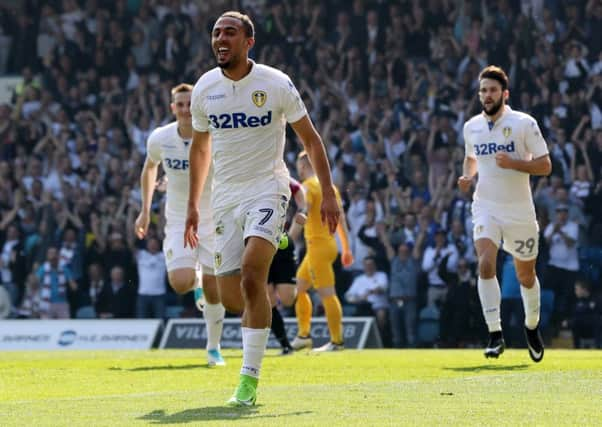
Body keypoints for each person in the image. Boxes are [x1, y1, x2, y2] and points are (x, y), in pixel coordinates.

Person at [185, 11, 341, 406]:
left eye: (230, 33)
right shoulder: (205, 88)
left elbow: (312, 140)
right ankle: (270, 248)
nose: (221, 38)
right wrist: (192, 206)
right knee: (232, 296)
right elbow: (200, 149)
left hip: (268, 189)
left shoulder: (275, 83)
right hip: (225, 197)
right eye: (216, 33)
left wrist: (330, 193)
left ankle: (248, 382)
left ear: (248, 42)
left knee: (255, 276)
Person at [458, 65, 552, 362]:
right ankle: (495, 334)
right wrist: (466, 176)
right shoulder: (471, 126)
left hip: (520, 212)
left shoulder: (524, 123)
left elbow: (545, 165)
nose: (487, 95)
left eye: (493, 90)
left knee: (526, 275)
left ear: (504, 93)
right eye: (483, 90)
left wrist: (515, 164)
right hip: (485, 206)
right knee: (486, 262)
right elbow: (470, 158)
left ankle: (532, 327)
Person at [135, 83, 225, 366]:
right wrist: (145, 210)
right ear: (172, 108)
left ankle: (213, 348)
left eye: (189, 104)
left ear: (197, 106)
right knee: (181, 282)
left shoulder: (215, 136)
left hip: (212, 219)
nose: (185, 109)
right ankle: (195, 278)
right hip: (176, 220)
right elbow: (149, 168)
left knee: (214, 290)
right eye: (180, 104)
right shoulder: (160, 138)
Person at [291, 151, 354, 352]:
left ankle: (337, 342)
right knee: (298, 288)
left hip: (317, 246)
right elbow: (341, 219)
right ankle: (303, 335)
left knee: (327, 293)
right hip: (327, 245)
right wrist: (347, 248)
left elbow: (304, 211)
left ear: (302, 167)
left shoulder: (308, 187)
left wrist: (290, 237)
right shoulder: (331, 188)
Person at [267, 177, 307, 355]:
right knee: (268, 300)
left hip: (283, 244)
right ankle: (285, 344)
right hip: (260, 243)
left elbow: (299, 193)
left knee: (288, 298)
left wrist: (299, 220)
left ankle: (304, 331)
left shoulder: (280, 176)